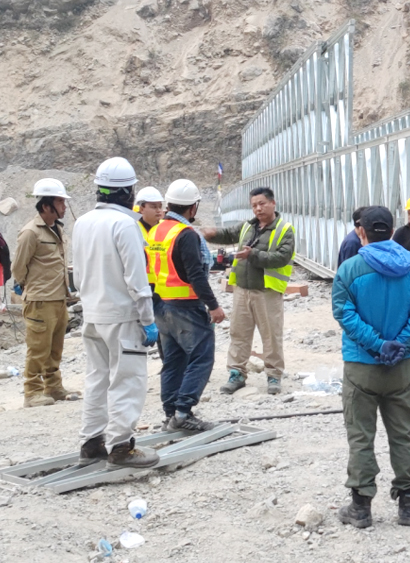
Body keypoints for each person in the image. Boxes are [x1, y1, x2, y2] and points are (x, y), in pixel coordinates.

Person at [332, 206, 410, 529]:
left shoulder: (349, 269)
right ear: (392, 230)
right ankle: (408, 506)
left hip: (361, 365)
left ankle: (360, 508)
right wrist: (400, 343)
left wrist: (377, 344)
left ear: (361, 231)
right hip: (400, 367)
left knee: (361, 436)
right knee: (403, 435)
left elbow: (344, 313)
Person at [72, 157, 159, 469]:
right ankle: (120, 447)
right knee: (127, 380)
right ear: (128, 192)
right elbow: (138, 281)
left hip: (92, 315)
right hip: (122, 317)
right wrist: (148, 321)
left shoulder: (82, 223)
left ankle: (91, 442)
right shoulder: (125, 225)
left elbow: (77, 277)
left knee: (97, 378)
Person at [202, 186, 295, 395]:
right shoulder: (248, 226)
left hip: (267, 291)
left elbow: (281, 257)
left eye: (262, 204)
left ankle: (273, 376)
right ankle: (236, 373)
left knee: (271, 335)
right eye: (254, 205)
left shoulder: (284, 229)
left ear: (273, 203)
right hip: (243, 290)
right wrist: (210, 234)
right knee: (239, 333)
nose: (258, 209)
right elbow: (228, 234)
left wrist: (253, 254)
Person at [149, 180, 225, 432]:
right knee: (202, 357)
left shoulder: (157, 230)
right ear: (192, 208)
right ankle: (183, 413)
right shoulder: (186, 234)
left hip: (161, 305)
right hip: (185, 305)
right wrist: (213, 306)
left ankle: (171, 414)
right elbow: (196, 274)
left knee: (173, 360)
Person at [12, 178, 78, 407]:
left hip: (59, 297)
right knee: (38, 348)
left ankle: (54, 386)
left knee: (55, 346)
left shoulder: (57, 229)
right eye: (60, 201)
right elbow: (18, 267)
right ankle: (32, 392)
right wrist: (28, 286)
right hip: (40, 300)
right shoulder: (31, 232)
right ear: (46, 205)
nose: (64, 206)